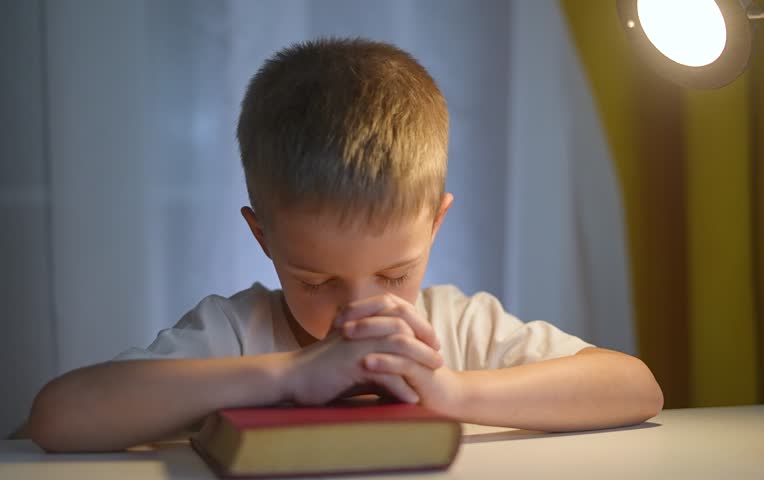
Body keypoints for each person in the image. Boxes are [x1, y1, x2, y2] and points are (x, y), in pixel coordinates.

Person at [28, 38, 663, 453]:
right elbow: (58, 417)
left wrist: (455, 392)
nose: (357, 312)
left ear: (435, 226)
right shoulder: (238, 333)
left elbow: (636, 388)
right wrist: (290, 374)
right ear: (262, 237)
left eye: (394, 274)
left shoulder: (457, 328)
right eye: (316, 280)